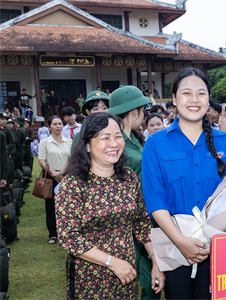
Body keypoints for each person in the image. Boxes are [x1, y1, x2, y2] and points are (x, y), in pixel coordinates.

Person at [142, 67, 226, 300]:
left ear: (208, 99)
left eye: (201, 93)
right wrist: (180, 241)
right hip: (175, 246)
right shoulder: (156, 143)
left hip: (219, 247)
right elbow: (155, 198)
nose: (194, 100)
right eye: (186, 93)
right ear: (174, 100)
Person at [56, 112, 164, 299]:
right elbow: (69, 237)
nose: (114, 143)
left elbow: (141, 224)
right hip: (90, 279)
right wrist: (112, 262)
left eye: (117, 136)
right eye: (105, 138)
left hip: (127, 275)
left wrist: (156, 261)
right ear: (87, 145)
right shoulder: (74, 184)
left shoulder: (128, 177)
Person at [108, 85, 162, 300]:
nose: (144, 116)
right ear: (133, 112)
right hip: (127, 218)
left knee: (152, 274)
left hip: (145, 215)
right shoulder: (116, 141)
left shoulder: (134, 139)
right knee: (140, 275)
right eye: (143, 111)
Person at [38, 115, 72, 244]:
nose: (58, 126)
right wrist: (54, 173)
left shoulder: (69, 141)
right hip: (50, 176)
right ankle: (53, 234)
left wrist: (61, 173)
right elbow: (41, 160)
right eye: (55, 124)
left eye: (60, 124)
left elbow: (70, 159)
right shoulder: (45, 142)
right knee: (51, 206)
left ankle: (67, 232)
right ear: (49, 127)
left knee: (68, 205)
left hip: (66, 175)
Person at [70, 90, 110, 154]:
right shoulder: (79, 137)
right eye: (95, 109)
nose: (100, 112)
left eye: (104, 108)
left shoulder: (116, 134)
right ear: (88, 111)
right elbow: (75, 161)